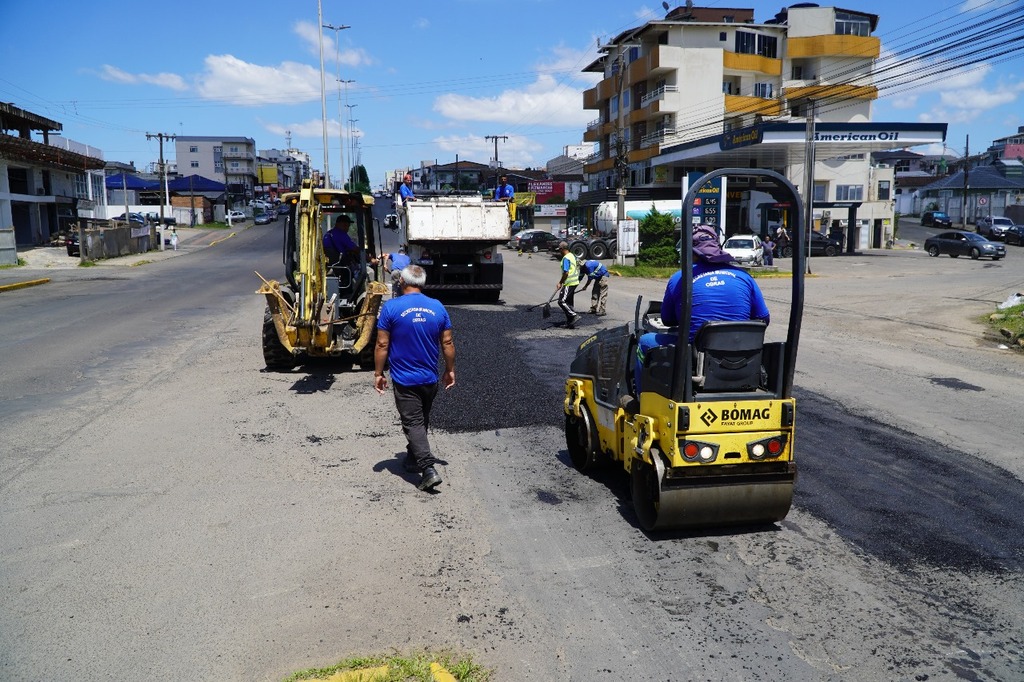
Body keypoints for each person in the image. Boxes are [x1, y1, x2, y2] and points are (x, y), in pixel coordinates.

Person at [634, 224, 770, 394]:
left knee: (645, 342)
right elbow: (763, 318)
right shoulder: (744, 276)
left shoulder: (680, 278)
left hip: (697, 355)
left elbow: (668, 319)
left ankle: (641, 400)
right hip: (742, 356)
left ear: (691, 251)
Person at [374, 265, 456, 491]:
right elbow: (447, 343)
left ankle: (428, 469)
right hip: (429, 378)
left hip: (405, 379)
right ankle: (412, 458)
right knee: (420, 420)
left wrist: (378, 373)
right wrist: (449, 370)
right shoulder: (437, 307)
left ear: (401, 282)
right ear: (423, 283)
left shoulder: (391, 307)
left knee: (413, 422)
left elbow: (382, 343)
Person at [554, 241, 582, 329]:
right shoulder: (572, 256)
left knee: (561, 301)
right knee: (569, 302)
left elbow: (566, 272)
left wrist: (560, 282)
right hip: (575, 282)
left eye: (559, 250)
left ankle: (574, 315)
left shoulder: (566, 258)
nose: (559, 252)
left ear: (562, 249)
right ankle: (570, 322)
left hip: (569, 282)